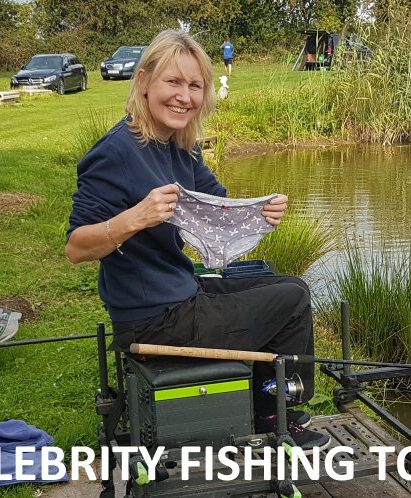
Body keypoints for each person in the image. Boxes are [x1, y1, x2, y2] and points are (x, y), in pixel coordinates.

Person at [65, 29, 329, 451]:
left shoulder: (181, 147)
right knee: (292, 299)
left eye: (194, 85)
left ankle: (268, 408)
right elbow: (76, 247)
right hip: (154, 320)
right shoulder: (116, 152)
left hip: (182, 294)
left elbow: (218, 205)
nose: (183, 96)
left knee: (283, 283)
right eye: (173, 81)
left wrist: (260, 212)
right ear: (144, 82)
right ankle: (283, 419)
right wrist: (134, 218)